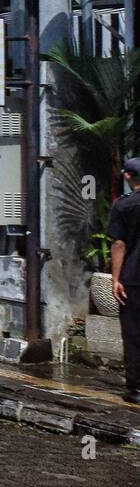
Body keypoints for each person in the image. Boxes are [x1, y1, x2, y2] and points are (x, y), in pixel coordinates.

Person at [107, 158, 140, 404]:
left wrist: (115, 278)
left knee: (133, 333)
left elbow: (119, 243)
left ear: (128, 177)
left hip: (133, 277)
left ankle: (136, 388)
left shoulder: (124, 206)